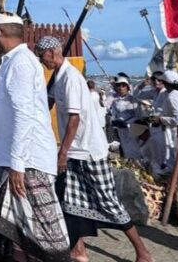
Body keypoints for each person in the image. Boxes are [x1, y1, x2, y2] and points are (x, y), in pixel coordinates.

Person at [43, 35, 152, 262]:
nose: (40, 60)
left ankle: (142, 251)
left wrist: (62, 152)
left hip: (89, 151)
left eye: (41, 55)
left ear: (53, 53)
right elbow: (48, 101)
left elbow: (74, 119)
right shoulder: (58, 77)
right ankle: (79, 250)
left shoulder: (71, 78)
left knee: (109, 202)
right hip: (74, 151)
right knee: (71, 202)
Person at [0, 16, 68, 260]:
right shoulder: (10, 62)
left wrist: (18, 165)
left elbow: (24, 115)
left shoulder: (22, 63)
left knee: (39, 231)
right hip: (8, 155)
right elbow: (2, 110)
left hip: (28, 160)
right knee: (6, 224)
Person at [109, 76, 143, 161]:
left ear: (128, 87)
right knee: (125, 151)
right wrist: (114, 121)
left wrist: (127, 123)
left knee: (136, 151)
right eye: (119, 85)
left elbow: (138, 115)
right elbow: (113, 113)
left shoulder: (133, 99)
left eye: (123, 85)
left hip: (133, 129)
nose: (121, 87)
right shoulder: (115, 100)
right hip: (121, 130)